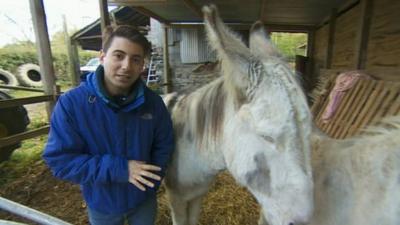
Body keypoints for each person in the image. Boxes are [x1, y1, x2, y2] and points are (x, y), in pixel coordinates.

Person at [43, 25, 174, 225]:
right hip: (102, 204)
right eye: (119, 56)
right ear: (102, 57)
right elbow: (60, 160)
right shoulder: (72, 104)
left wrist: (152, 181)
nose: (127, 66)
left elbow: (164, 145)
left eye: (136, 59)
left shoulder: (153, 103)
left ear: (142, 66)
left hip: (143, 200)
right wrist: (120, 169)